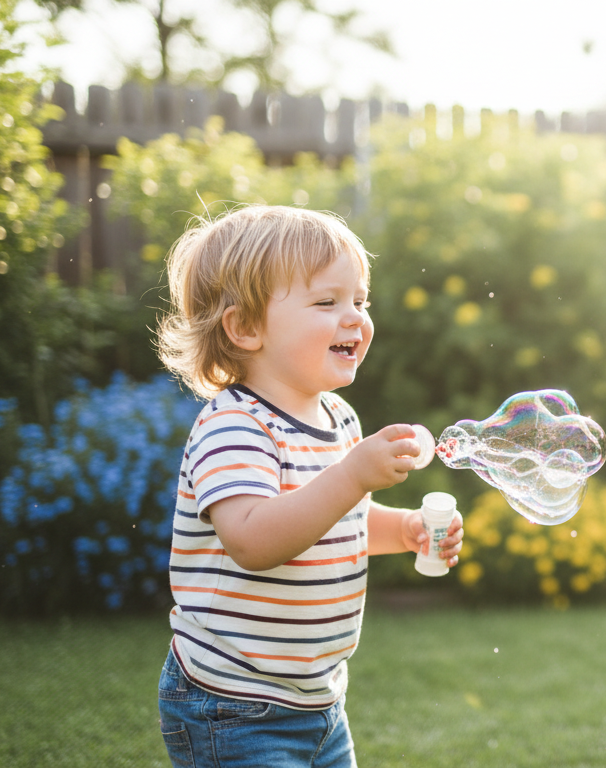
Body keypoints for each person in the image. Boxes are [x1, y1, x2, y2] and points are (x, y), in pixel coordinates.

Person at [154, 205, 462, 767]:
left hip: (318, 699)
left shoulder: (340, 419)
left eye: (360, 301)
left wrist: (406, 529)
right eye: (327, 302)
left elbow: (340, 522)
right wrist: (351, 475)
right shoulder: (235, 426)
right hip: (233, 701)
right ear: (246, 328)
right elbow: (253, 540)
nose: (355, 318)